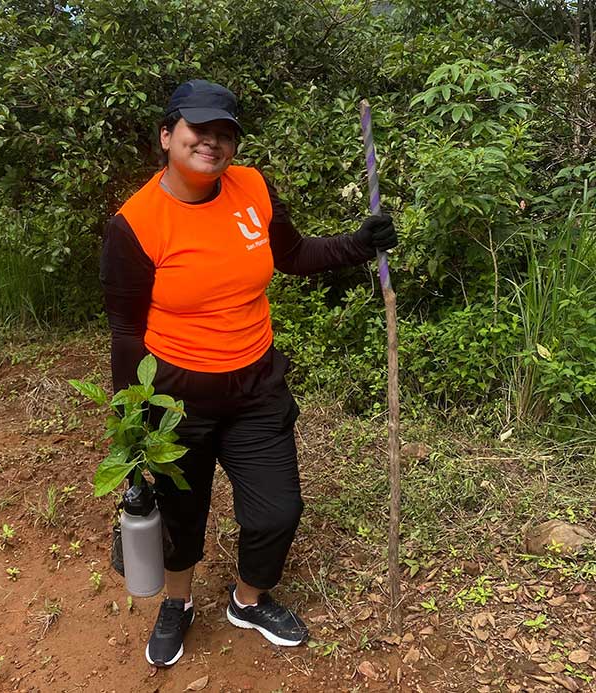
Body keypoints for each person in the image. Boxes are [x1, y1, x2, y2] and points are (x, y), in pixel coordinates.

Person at [100, 79, 397, 667]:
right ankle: (177, 604)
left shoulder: (253, 189)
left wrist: (357, 246)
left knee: (277, 512)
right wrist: (131, 427)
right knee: (183, 514)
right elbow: (126, 333)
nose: (211, 143)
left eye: (224, 134)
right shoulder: (134, 225)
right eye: (197, 130)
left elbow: (290, 255)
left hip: (256, 385)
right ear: (167, 135)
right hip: (175, 397)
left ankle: (248, 599)